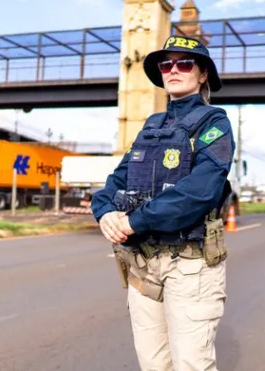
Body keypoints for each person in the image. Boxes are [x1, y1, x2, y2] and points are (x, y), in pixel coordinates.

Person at [91, 35, 235, 371]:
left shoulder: (214, 122)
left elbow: (199, 192)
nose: (173, 69)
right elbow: (117, 179)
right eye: (166, 64)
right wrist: (105, 212)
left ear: (202, 75)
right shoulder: (152, 126)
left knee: (190, 364)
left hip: (189, 266)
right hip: (142, 264)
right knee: (154, 364)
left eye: (184, 63)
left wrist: (132, 222)